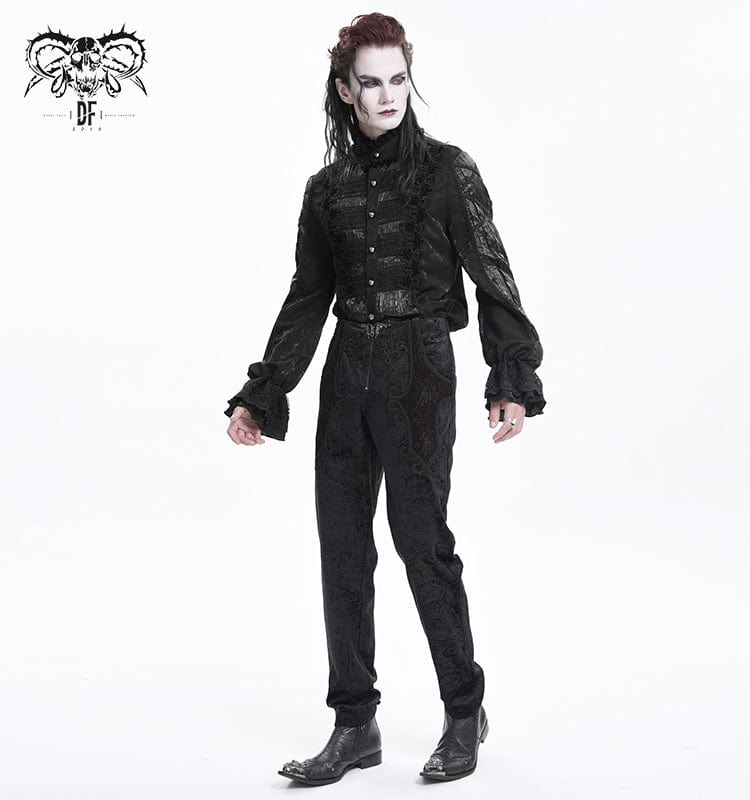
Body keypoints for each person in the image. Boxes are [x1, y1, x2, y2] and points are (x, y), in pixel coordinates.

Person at [224, 12, 546, 785]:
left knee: (421, 539)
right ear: (346, 90)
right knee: (341, 545)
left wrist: (510, 375)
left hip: (419, 367)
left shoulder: (448, 171)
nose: (387, 94)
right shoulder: (325, 190)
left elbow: (492, 275)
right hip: (346, 372)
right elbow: (308, 296)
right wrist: (263, 392)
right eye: (370, 82)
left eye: (398, 78)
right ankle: (354, 725)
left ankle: (463, 710)